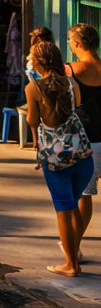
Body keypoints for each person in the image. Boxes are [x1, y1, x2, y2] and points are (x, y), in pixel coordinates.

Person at [28, 40, 95, 276]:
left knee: (63, 210)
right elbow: (73, 110)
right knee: (73, 207)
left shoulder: (33, 88)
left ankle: (70, 264)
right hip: (82, 157)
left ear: (37, 62)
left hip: (57, 161)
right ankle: (73, 256)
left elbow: (33, 121)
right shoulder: (71, 83)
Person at [67, 24, 101, 241]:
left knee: (82, 195)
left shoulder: (72, 69)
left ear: (78, 43)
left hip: (85, 139)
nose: (70, 44)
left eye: (70, 41)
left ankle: (74, 245)